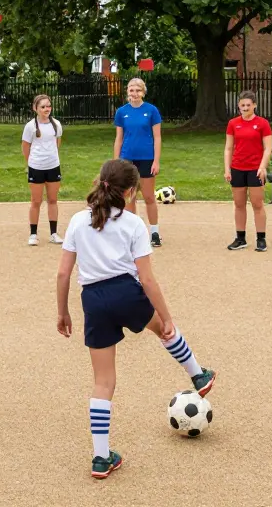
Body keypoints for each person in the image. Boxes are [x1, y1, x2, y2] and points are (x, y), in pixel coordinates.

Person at [56, 159, 216, 479]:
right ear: (131, 192)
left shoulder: (76, 221)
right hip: (127, 294)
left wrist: (62, 311)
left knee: (103, 382)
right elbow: (147, 279)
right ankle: (198, 376)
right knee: (165, 331)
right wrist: (166, 317)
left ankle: (101, 458)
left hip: (93, 301)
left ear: (100, 182)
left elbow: (63, 273)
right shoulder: (133, 225)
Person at [112, 78, 164, 247]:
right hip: (127, 158)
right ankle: (131, 233)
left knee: (149, 196)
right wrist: (116, 162)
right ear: (127, 91)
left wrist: (156, 160)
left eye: (138, 90)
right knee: (129, 197)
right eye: (131, 90)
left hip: (146, 158)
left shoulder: (151, 110)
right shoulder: (121, 112)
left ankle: (154, 232)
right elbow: (119, 138)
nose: (134, 93)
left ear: (143, 92)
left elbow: (157, 137)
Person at [224, 90, 272, 252]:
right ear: (238, 105)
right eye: (242, 105)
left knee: (257, 204)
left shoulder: (262, 123)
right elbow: (229, 148)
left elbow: (268, 148)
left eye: (248, 105)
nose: (245, 108)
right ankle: (240, 238)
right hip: (237, 168)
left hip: (255, 169)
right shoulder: (233, 123)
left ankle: (261, 238)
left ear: (254, 106)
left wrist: (262, 166)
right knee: (239, 204)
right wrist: (227, 169)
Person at [22, 94, 63, 246]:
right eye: (43, 107)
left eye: (48, 106)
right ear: (35, 108)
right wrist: (31, 162)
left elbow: (57, 142)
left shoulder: (56, 124)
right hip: (36, 167)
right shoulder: (30, 126)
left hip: (53, 166)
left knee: (52, 200)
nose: (46, 109)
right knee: (36, 201)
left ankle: (54, 233)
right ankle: (33, 234)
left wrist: (52, 157)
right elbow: (25, 146)